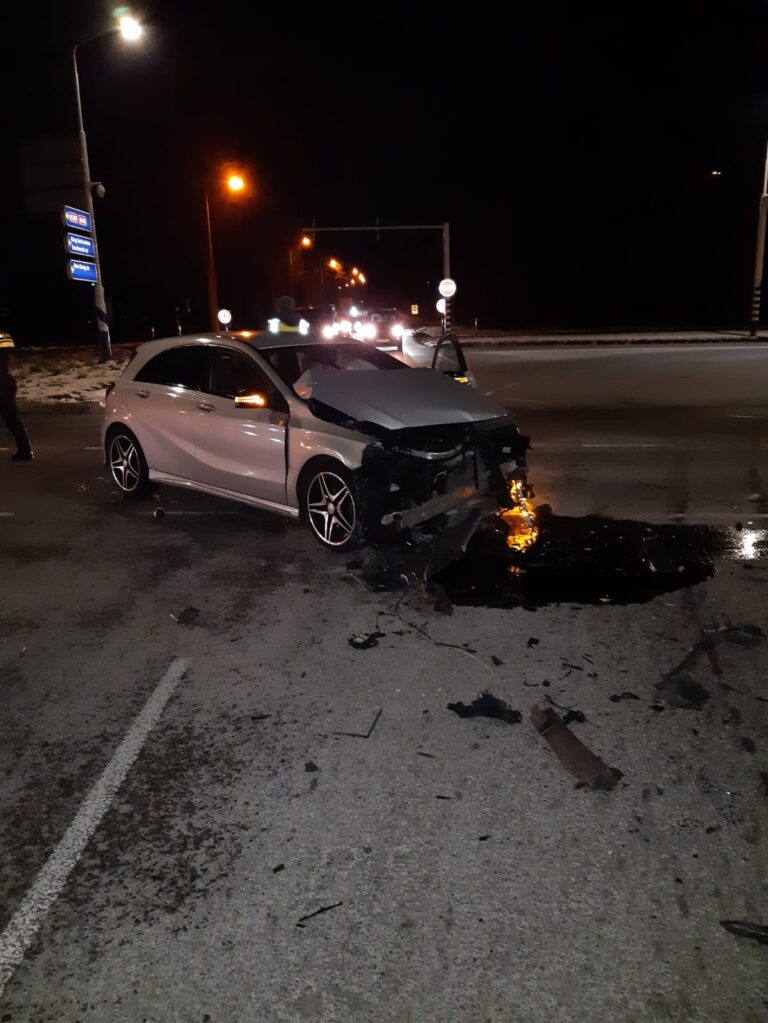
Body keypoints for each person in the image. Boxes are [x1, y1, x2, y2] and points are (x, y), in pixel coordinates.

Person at [0, 333, 33, 461]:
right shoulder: (4, 336)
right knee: (12, 418)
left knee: (11, 418)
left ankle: (25, 451)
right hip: (6, 381)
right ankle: (25, 450)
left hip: (2, 382)